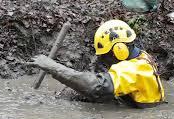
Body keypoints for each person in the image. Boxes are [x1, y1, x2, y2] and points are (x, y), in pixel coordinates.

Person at [28, 20, 165, 108]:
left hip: (141, 115)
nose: (104, 61)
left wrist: (51, 66)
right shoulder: (142, 57)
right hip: (137, 104)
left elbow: (95, 87)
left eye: (105, 56)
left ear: (119, 50)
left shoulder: (133, 69)